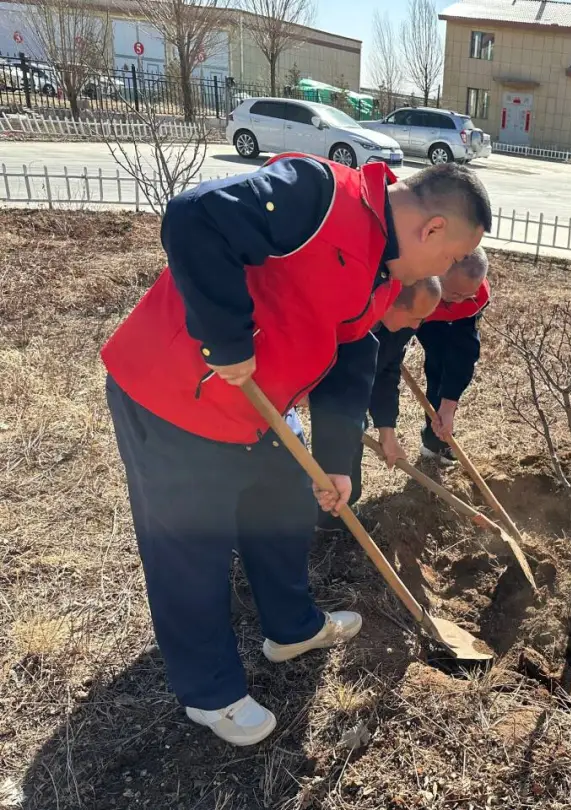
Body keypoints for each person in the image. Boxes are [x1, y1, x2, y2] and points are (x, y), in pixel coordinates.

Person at [100, 153, 492, 746]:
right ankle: (210, 692)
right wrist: (225, 339)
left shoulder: (383, 272)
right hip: (177, 394)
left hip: (263, 410)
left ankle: (292, 627)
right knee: (191, 551)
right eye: (449, 257)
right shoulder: (320, 194)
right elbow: (195, 216)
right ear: (432, 228)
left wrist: (335, 460)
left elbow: (353, 352)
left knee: (284, 510)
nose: (445, 270)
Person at [314, 277, 443, 531]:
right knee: (343, 425)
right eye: (416, 317)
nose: (417, 326)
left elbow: (385, 371)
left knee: (354, 423)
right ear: (392, 302)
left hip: (345, 387)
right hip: (300, 383)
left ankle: (336, 516)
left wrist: (387, 431)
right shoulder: (349, 317)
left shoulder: (401, 328)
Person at [413, 246, 491, 466]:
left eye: (467, 295)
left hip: (445, 315)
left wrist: (448, 405)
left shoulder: (474, 298)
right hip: (420, 309)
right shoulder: (414, 281)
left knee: (444, 366)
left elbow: (463, 353)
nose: (459, 301)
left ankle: (436, 439)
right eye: (455, 294)